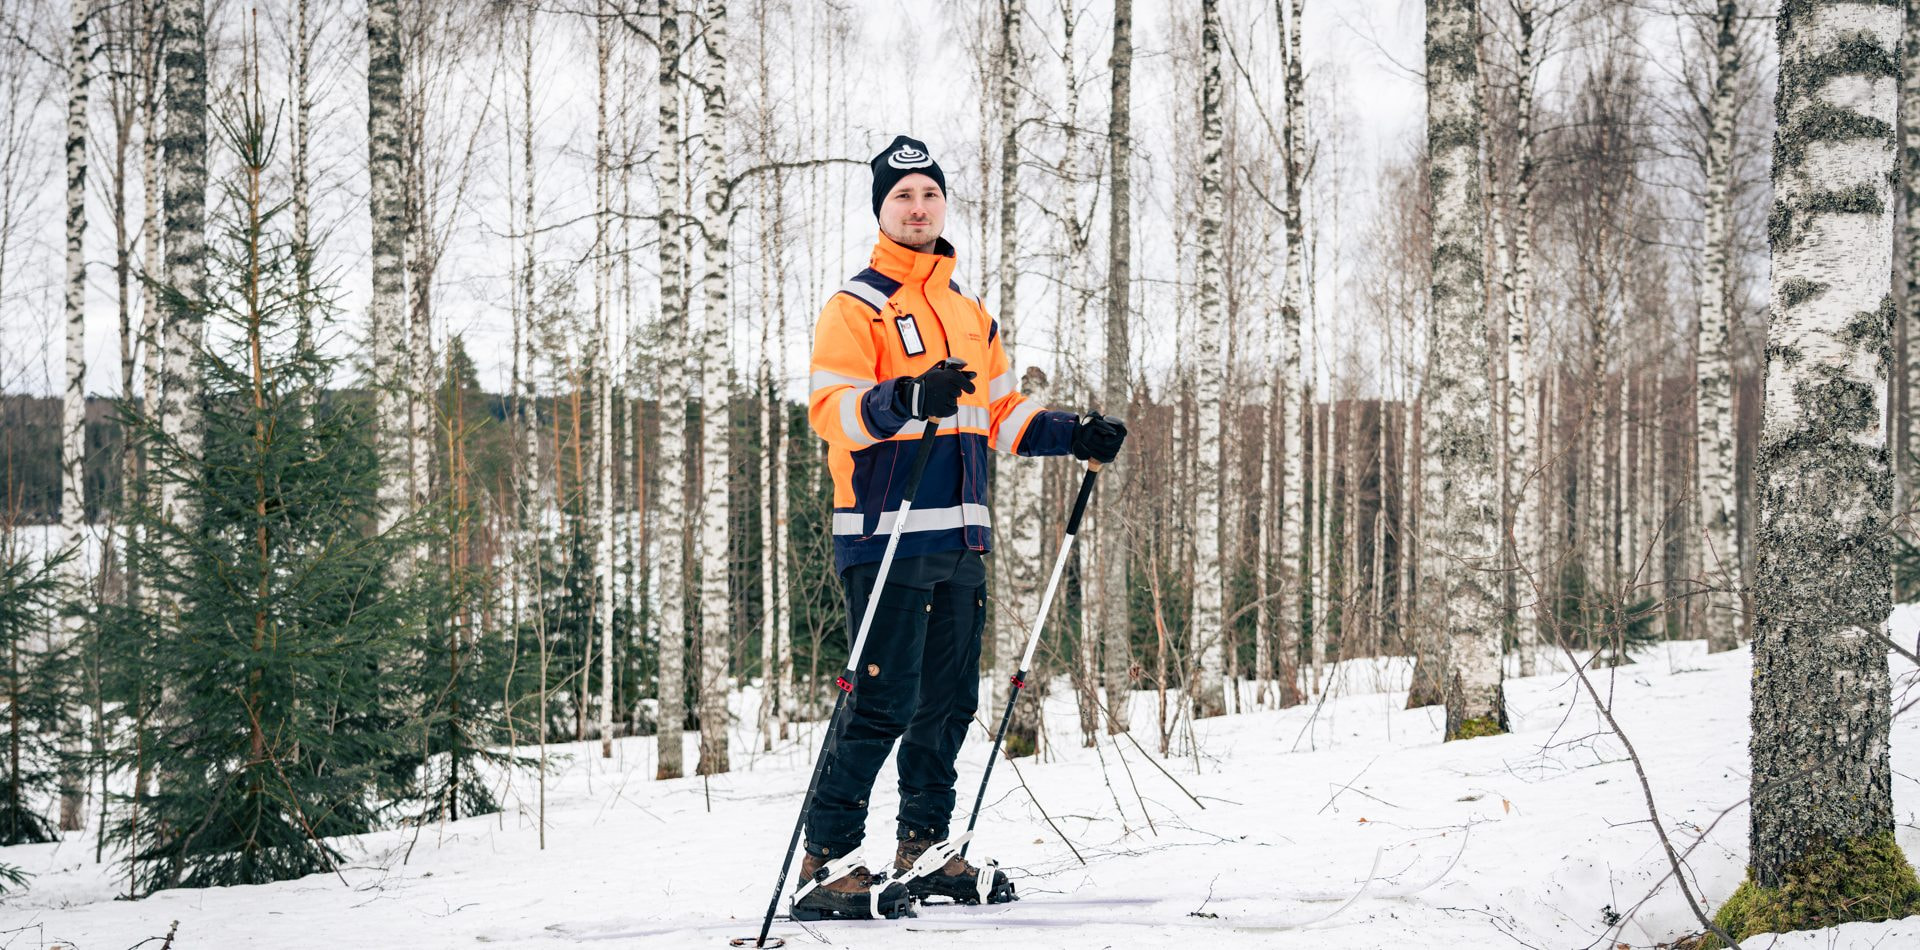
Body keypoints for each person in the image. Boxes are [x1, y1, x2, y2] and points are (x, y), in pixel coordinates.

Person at [795, 134, 1128, 920]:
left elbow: (1001, 417)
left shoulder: (970, 311)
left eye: (929, 194)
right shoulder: (858, 306)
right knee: (880, 701)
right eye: (902, 196)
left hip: (961, 540)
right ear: (882, 209)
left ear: (944, 204)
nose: (917, 208)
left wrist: (1072, 432)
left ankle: (927, 849)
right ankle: (828, 857)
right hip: (886, 534)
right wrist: (904, 398)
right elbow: (830, 412)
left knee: (947, 704)